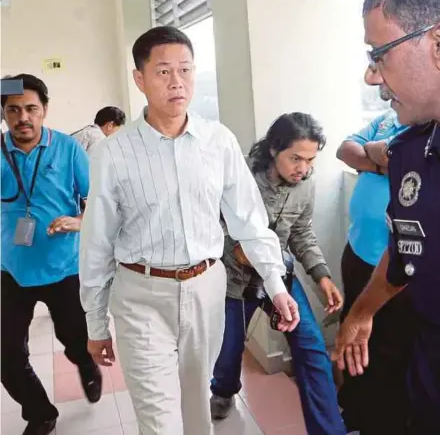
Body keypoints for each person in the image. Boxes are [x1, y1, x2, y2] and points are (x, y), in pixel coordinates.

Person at [79, 26, 299, 435]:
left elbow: (249, 220)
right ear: (139, 79)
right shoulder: (113, 152)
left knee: (196, 404)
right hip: (140, 294)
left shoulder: (217, 141)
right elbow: (97, 243)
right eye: (163, 71)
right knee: (158, 420)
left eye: (185, 69)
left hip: (206, 288)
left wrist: (276, 284)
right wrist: (95, 324)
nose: (177, 81)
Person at [333, 0, 440, 434]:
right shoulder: (411, 153)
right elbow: (404, 250)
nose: (371, 76)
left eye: (380, 54)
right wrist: (362, 313)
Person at [210, 112, 346, 434]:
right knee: (228, 351)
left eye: (310, 160)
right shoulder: (238, 174)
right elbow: (208, 222)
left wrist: (322, 276)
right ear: (274, 149)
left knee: (311, 347)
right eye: (295, 158)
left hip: (278, 278)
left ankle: (329, 430)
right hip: (232, 281)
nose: (303, 168)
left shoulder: (305, 184)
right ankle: (224, 390)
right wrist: (233, 248)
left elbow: (300, 233)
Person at [1, 74, 102, 435]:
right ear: (4, 112)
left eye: (31, 108)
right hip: (11, 271)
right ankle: (41, 413)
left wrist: (78, 221)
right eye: (13, 110)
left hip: (64, 268)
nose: (22, 117)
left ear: (44, 110)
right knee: (7, 356)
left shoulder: (67, 148)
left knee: (76, 342)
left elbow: (98, 203)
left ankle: (86, 366)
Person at [336, 110, 415, 434]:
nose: (375, 78)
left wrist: (375, 154)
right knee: (352, 336)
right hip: (357, 252)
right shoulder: (388, 118)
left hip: (394, 269)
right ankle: (353, 412)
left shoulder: (425, 128)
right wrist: (384, 163)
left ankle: (377, 423)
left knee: (385, 352)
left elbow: (401, 160)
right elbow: (345, 150)